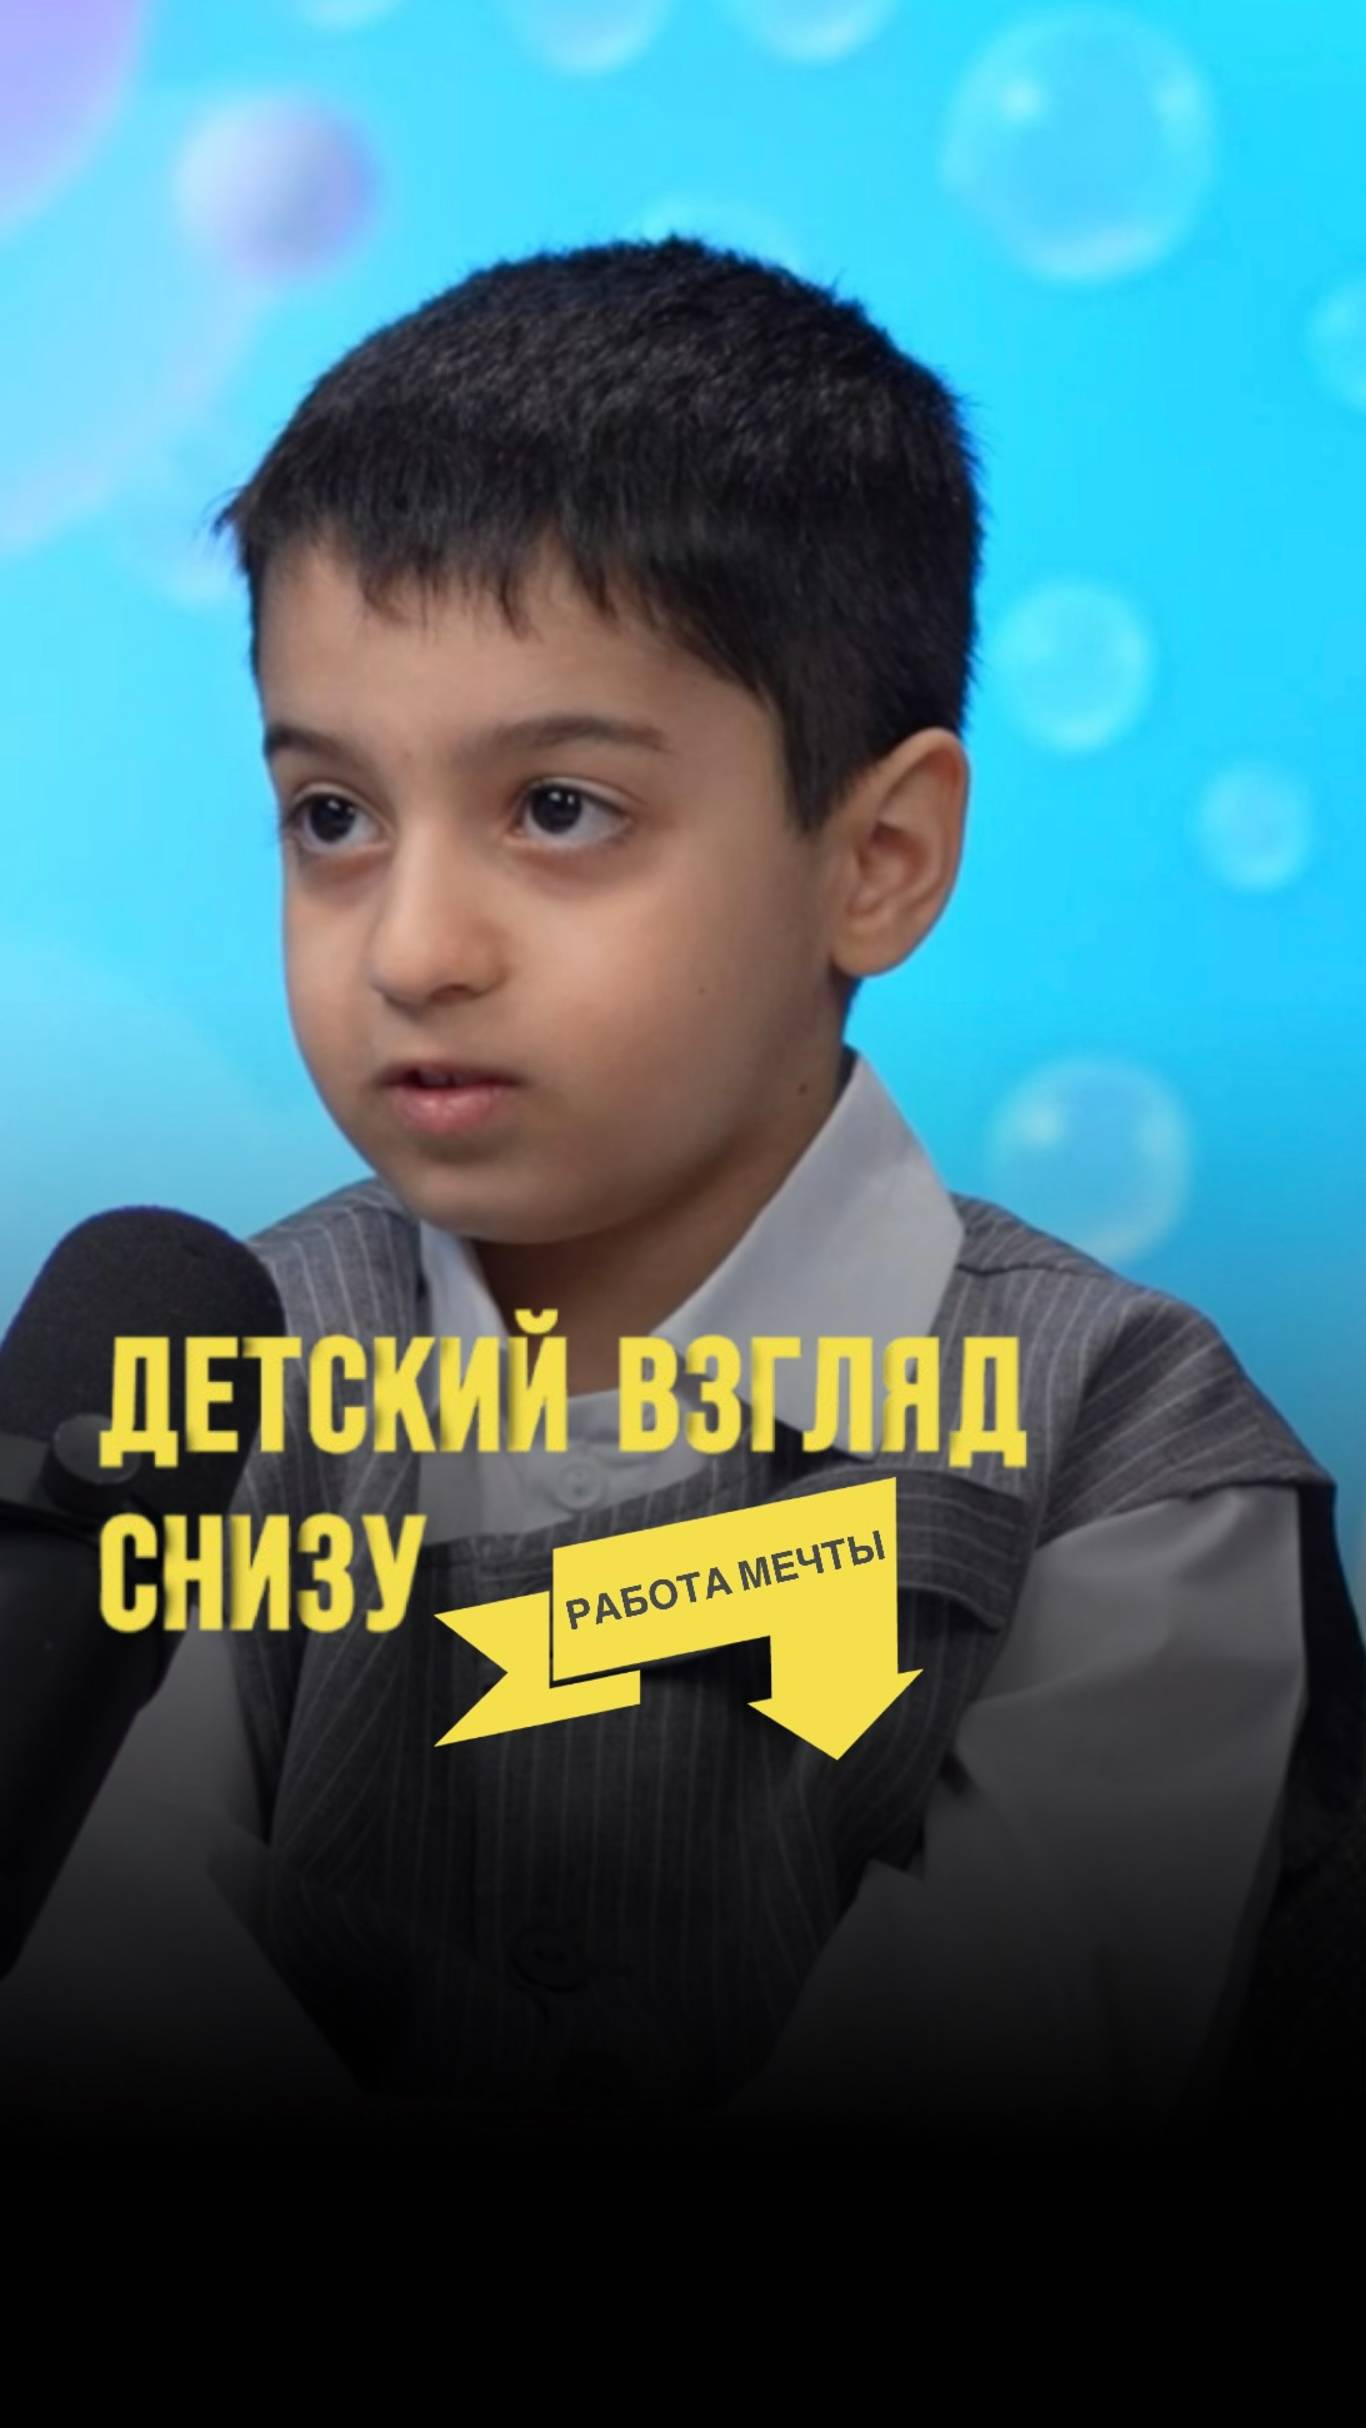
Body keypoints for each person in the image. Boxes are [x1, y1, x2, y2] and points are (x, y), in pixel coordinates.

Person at [5, 235, 1362, 2150]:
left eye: (559, 809)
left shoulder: (1137, 1458)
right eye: (333, 817)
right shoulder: (207, 1388)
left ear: (878, 859)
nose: (413, 948)